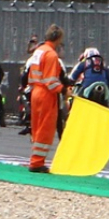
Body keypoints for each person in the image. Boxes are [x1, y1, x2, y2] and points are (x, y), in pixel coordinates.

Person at [24, 26, 66, 172]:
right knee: (45, 128)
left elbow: (31, 75)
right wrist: (64, 90)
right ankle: (37, 162)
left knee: (37, 127)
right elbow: (51, 82)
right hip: (46, 94)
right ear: (58, 38)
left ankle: (35, 160)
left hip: (35, 91)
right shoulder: (51, 55)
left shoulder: (39, 51)